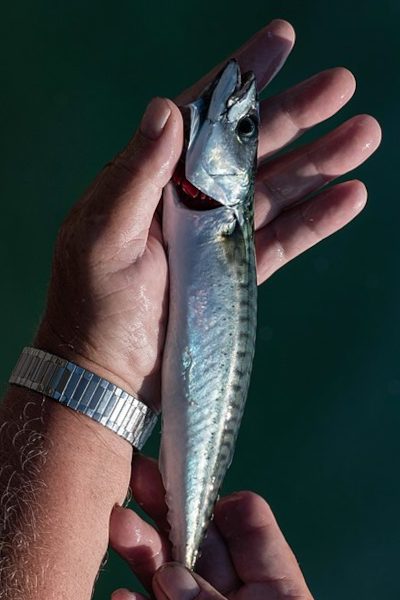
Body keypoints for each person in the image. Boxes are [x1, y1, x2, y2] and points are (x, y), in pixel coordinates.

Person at [0, 19, 381, 600]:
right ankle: (184, 550)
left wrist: (84, 353)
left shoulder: (225, 212)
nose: (237, 119)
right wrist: (98, 361)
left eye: (244, 127)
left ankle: (184, 550)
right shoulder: (216, 209)